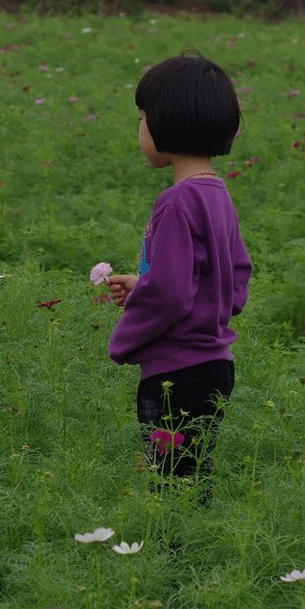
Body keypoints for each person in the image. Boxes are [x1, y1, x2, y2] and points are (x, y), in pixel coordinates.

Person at [106, 52, 252, 493]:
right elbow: (234, 280)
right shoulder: (216, 194)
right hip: (214, 368)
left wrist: (125, 340)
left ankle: (171, 558)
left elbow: (170, 293)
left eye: (143, 117)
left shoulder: (176, 201)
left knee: (168, 486)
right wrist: (144, 285)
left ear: (165, 124)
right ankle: (192, 553)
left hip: (175, 371)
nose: (140, 127)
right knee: (191, 479)